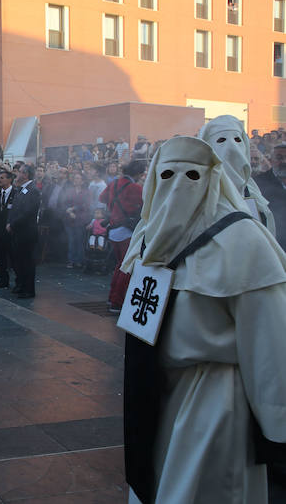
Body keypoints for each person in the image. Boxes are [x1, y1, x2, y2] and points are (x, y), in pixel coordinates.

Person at [120, 136, 286, 504]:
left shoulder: (242, 239)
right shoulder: (148, 237)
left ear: (212, 179)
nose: (179, 186)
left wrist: (278, 425)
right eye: (167, 175)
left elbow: (270, 343)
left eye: (192, 175)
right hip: (159, 395)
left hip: (217, 401)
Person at [199, 115, 277, 236]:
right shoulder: (199, 190)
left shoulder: (251, 190)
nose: (231, 147)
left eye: (237, 140)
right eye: (221, 140)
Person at [100, 160, 145, 311]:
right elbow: (146, 204)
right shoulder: (135, 187)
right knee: (126, 267)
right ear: (138, 173)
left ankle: (112, 297)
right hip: (126, 231)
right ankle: (117, 302)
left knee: (119, 265)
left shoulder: (114, 183)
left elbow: (102, 198)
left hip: (113, 229)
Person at [7, 165, 40, 298]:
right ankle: (21, 284)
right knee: (19, 260)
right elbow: (14, 209)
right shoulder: (21, 189)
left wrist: (13, 224)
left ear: (26, 175)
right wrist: (10, 222)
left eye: (20, 172)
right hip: (18, 231)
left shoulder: (33, 190)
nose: (17, 174)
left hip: (27, 231)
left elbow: (28, 212)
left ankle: (29, 289)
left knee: (27, 261)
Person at [256, 143, 286, 251]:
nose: (284, 162)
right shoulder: (258, 183)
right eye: (279, 158)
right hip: (271, 244)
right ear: (271, 160)